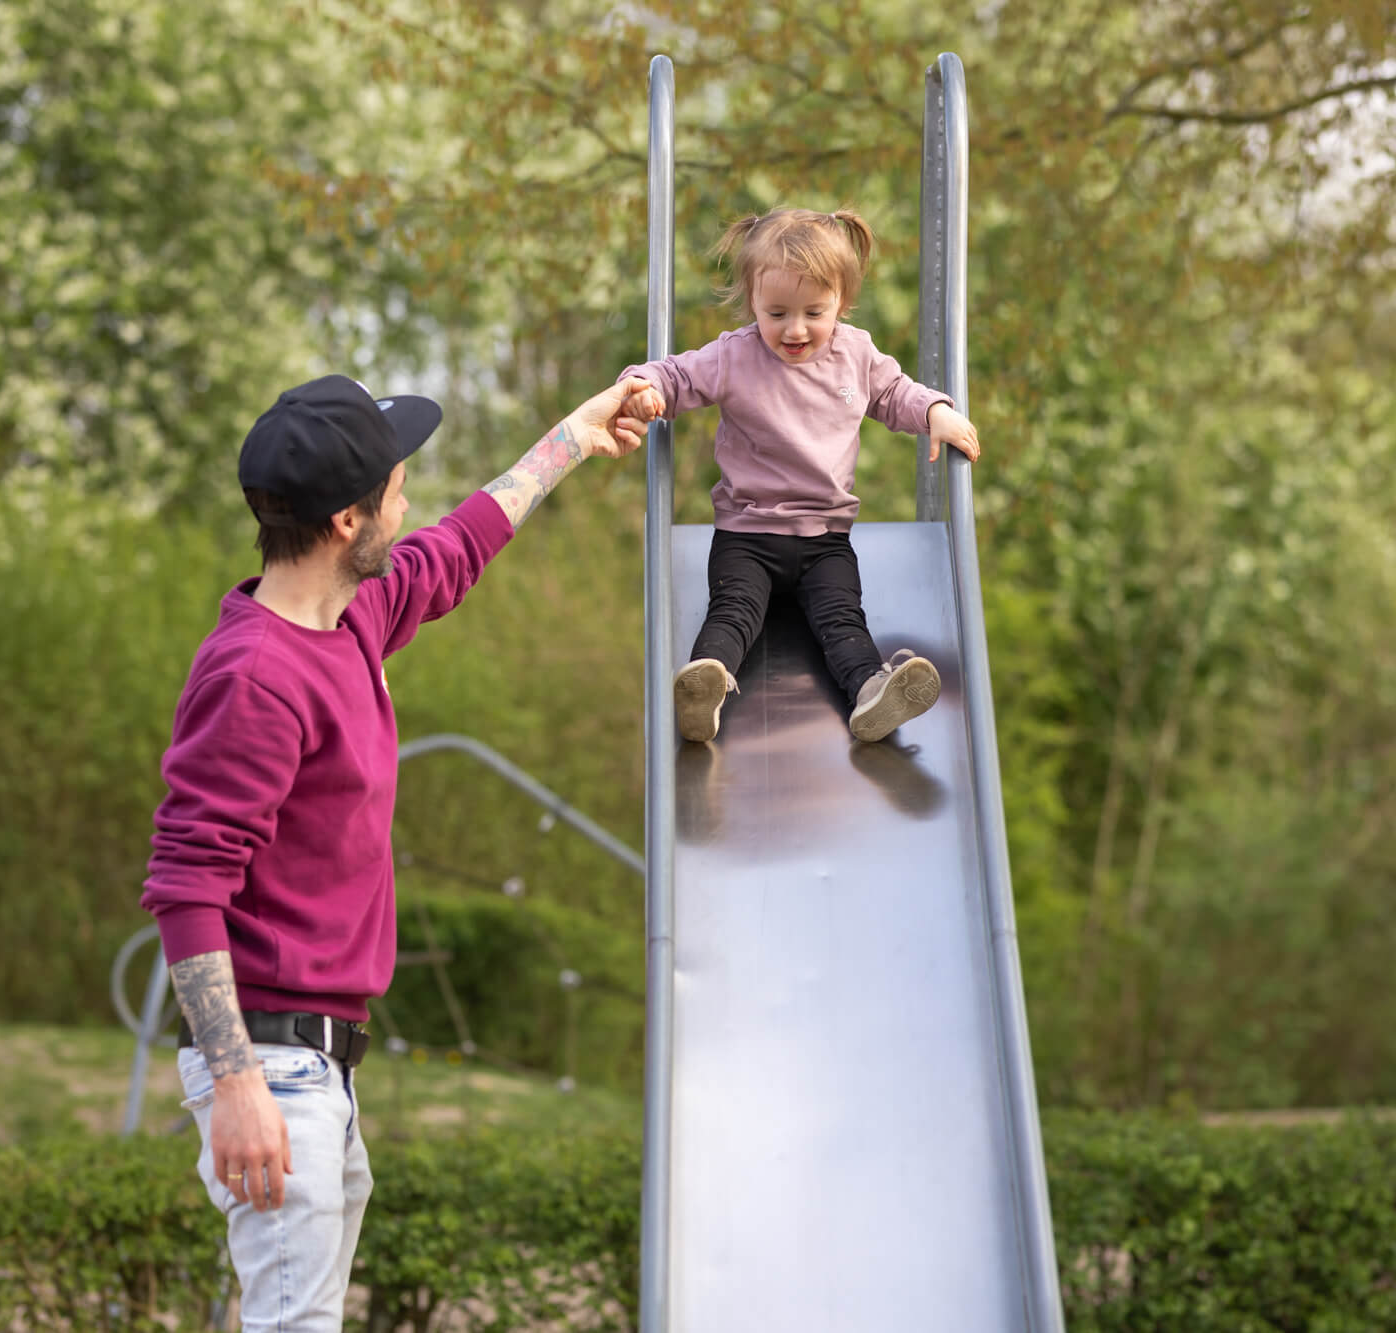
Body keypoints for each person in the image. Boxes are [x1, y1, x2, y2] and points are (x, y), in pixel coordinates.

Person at [139, 371, 649, 1331]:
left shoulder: (350, 620)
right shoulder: (256, 675)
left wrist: (575, 436)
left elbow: (457, 546)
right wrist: (240, 1084)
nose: (408, 500)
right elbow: (187, 888)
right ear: (345, 520)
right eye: (397, 486)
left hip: (320, 1063)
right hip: (272, 1064)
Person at [617, 206, 983, 744]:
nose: (795, 329)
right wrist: (645, 386)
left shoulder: (855, 353)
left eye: (814, 312)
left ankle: (871, 696)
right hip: (746, 534)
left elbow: (892, 393)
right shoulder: (734, 356)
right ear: (753, 305)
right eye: (777, 312)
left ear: (842, 302)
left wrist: (935, 411)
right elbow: (675, 375)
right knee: (734, 610)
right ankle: (706, 686)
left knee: (842, 620)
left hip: (825, 539)